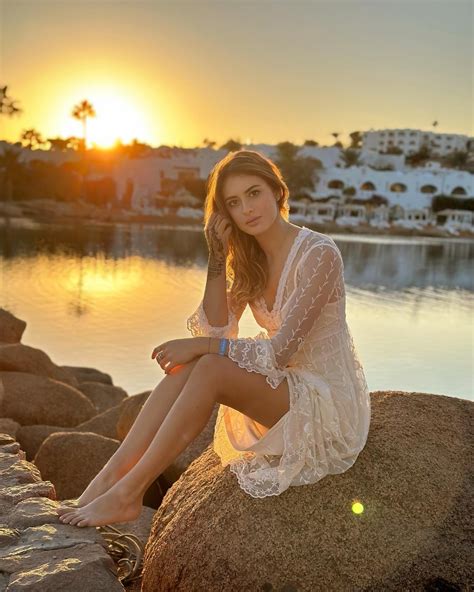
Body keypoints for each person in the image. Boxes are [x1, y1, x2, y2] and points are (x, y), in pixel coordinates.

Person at [56, 149, 371, 527]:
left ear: (277, 192)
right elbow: (216, 331)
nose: (247, 209)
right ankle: (107, 480)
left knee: (210, 368)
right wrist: (217, 255)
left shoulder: (318, 254)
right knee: (197, 364)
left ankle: (128, 494)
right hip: (283, 391)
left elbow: (279, 352)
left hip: (325, 404)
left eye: (254, 193)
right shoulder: (251, 259)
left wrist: (204, 347)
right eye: (234, 203)